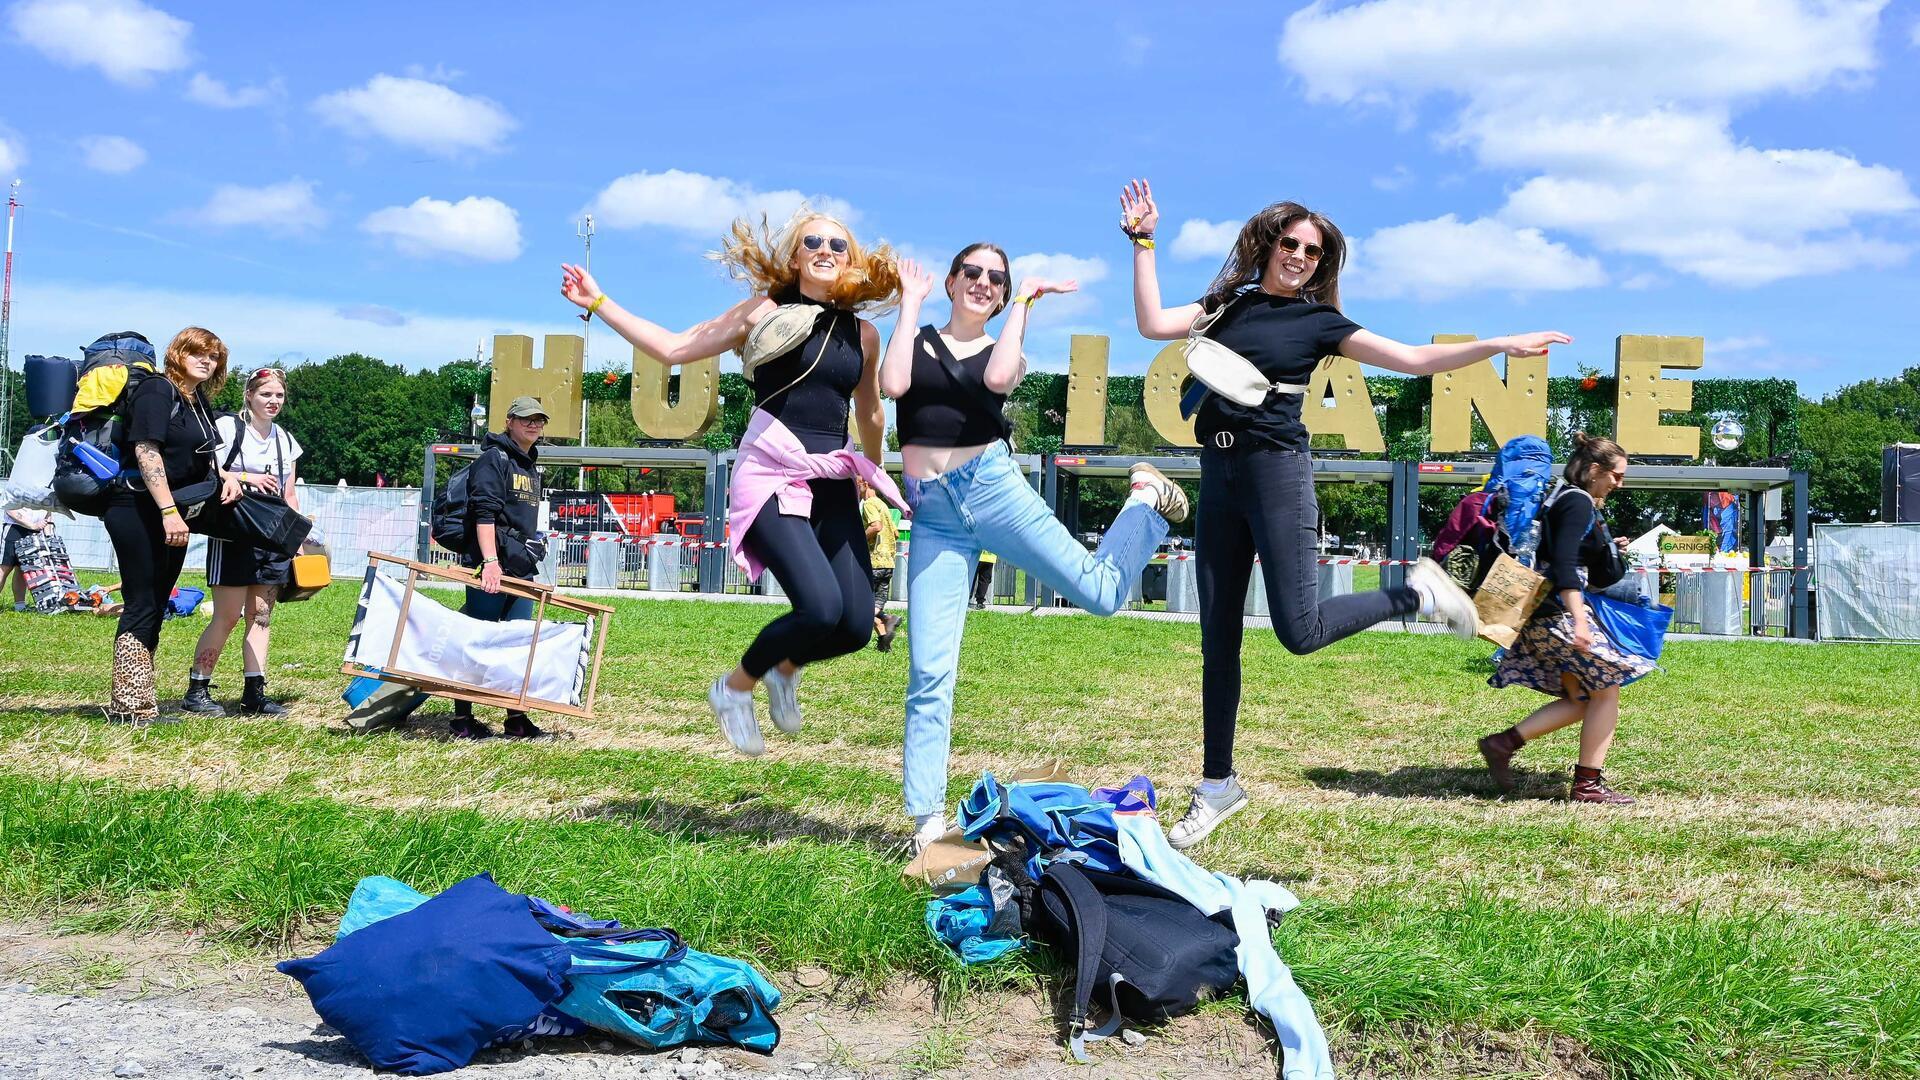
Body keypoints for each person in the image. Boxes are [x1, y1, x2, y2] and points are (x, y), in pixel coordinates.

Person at [1119, 179, 1571, 848]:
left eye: (1313, 250)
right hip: (1220, 473)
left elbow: (1415, 359)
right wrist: (1144, 242)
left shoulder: (1318, 322)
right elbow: (1152, 323)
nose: (1300, 255)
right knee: (1217, 639)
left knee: (1299, 631)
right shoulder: (1226, 305)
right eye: (1291, 243)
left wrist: (1497, 343)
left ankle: (1417, 591)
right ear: (1267, 243)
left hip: (1276, 476)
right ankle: (1217, 786)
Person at [560, 207, 904, 756]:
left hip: (831, 481)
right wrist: (598, 303)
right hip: (772, 473)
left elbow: (870, 413)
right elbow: (672, 347)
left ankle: (784, 669)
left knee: (857, 625)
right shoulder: (764, 311)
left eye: (838, 246)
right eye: (812, 241)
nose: (825, 250)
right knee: (819, 608)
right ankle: (734, 687)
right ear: (795, 256)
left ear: (852, 263)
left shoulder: (863, 336)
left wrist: (871, 469)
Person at [882, 244, 1189, 850]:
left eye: (997, 279)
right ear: (950, 280)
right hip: (936, 513)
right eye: (972, 273)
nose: (983, 283)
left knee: (1101, 594)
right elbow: (894, 386)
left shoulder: (1007, 350)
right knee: (929, 670)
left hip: (991, 488)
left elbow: (996, 378)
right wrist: (909, 305)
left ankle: (1144, 502)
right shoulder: (914, 340)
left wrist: (1024, 304)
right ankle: (926, 825)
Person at [1478, 433, 1648, 804]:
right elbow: (1564, 564)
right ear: (1593, 470)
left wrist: (1604, 548)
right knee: (1608, 690)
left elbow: (1570, 554)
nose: (1619, 483)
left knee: (1580, 698)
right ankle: (1588, 785)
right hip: (1557, 614)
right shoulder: (1578, 502)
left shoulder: (1563, 499)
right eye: (1616, 475)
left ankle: (1500, 744)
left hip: (1541, 614)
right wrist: (1580, 621)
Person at [104, 327, 241, 724]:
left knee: (157, 601)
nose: (206, 360)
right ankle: (129, 707)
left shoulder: (195, 399)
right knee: (142, 601)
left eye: (213, 356)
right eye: (196, 352)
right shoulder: (157, 390)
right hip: (138, 508)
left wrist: (228, 475)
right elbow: (146, 450)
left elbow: (199, 456)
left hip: (173, 513)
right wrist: (167, 511)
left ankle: (141, 699)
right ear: (177, 354)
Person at [182, 368, 303, 716]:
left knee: (261, 615)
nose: (273, 401)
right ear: (249, 395)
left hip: (270, 537)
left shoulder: (285, 440)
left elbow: (290, 493)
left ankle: (255, 693)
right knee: (228, 615)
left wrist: (295, 538)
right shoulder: (227, 428)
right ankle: (197, 689)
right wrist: (246, 476)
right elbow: (204, 469)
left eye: (279, 395)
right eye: (266, 394)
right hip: (233, 532)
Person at [448, 395, 552, 739]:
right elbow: (484, 514)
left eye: (539, 419)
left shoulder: (529, 463)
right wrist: (490, 563)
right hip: (490, 566)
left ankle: (516, 718)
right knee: (476, 641)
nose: (533, 424)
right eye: (526, 419)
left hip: (519, 566)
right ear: (509, 421)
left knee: (519, 642)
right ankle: (462, 719)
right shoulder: (495, 459)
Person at [858, 476, 902, 652]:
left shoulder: (869, 504)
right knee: (874, 603)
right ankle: (884, 641)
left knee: (861, 605)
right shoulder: (883, 505)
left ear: (865, 484)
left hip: (873, 562)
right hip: (888, 563)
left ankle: (888, 618)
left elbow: (875, 526)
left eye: (856, 486)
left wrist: (859, 539)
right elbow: (896, 533)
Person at [2, 506, 53, 611]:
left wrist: (49, 536)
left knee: (22, 569)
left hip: (36, 531)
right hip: (15, 528)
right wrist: (32, 525)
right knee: (4, 568)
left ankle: (20, 607)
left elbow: (49, 511)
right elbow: (10, 509)